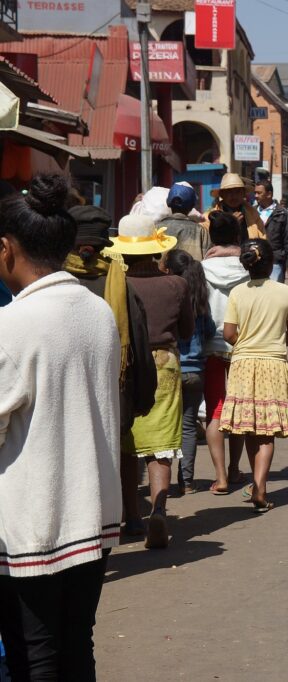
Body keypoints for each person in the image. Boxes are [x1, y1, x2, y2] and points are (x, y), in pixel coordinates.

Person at [0, 174, 121, 680]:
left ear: (6, 249)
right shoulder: (96, 311)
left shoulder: (15, 324)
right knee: (75, 645)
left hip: (34, 522)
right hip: (92, 517)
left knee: (36, 655)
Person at [65, 204, 157, 535]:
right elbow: (139, 344)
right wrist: (144, 394)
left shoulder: (52, 280)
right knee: (122, 449)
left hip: (66, 389)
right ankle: (131, 516)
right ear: (106, 244)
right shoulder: (119, 282)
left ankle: (81, 526)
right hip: (111, 389)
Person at [109, 214, 194, 549]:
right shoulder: (176, 285)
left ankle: (132, 517)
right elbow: (186, 330)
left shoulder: (116, 285)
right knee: (160, 446)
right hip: (165, 365)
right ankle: (159, 509)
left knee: (127, 443)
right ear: (155, 250)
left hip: (124, 367)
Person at [221, 239, 288, 512]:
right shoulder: (284, 292)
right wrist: (272, 341)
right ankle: (260, 485)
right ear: (271, 264)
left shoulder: (237, 293)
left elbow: (228, 334)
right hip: (273, 363)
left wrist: (247, 342)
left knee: (250, 426)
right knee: (267, 431)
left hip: (243, 364)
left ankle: (259, 485)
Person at [202, 211, 249, 494]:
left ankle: (219, 477)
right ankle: (234, 469)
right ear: (237, 237)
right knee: (239, 408)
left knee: (216, 411)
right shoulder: (247, 269)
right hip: (241, 345)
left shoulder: (200, 268)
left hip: (210, 345)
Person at [164, 250, 215, 495]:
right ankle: (187, 481)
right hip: (196, 371)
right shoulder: (200, 302)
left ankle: (162, 481)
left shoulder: (168, 299)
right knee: (188, 426)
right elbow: (210, 331)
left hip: (170, 370)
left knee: (166, 426)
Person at [253, 179, 288, 283]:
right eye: (255, 193)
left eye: (259, 193)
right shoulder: (252, 212)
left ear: (269, 194)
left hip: (275, 262)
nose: (255, 196)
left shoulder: (282, 213)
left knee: (274, 296)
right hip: (254, 262)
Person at [207, 173, 265, 242]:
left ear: (244, 194)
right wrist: (231, 225)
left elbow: (263, 240)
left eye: (238, 192)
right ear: (222, 194)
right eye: (229, 192)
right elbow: (211, 242)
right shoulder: (211, 218)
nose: (234, 196)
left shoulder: (253, 215)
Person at [160, 182, 210, 261]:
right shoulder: (201, 231)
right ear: (192, 206)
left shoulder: (156, 228)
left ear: (168, 203)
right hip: (192, 273)